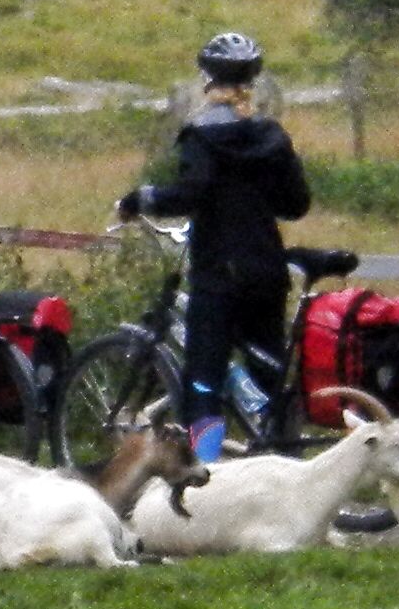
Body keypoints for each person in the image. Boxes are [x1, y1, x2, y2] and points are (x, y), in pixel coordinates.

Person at [120, 30, 311, 462]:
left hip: (219, 273)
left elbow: (191, 193)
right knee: (268, 370)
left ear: (206, 79)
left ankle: (206, 468)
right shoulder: (272, 137)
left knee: (203, 380)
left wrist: (141, 198)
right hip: (266, 268)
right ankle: (279, 457)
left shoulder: (202, 136)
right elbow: (296, 204)